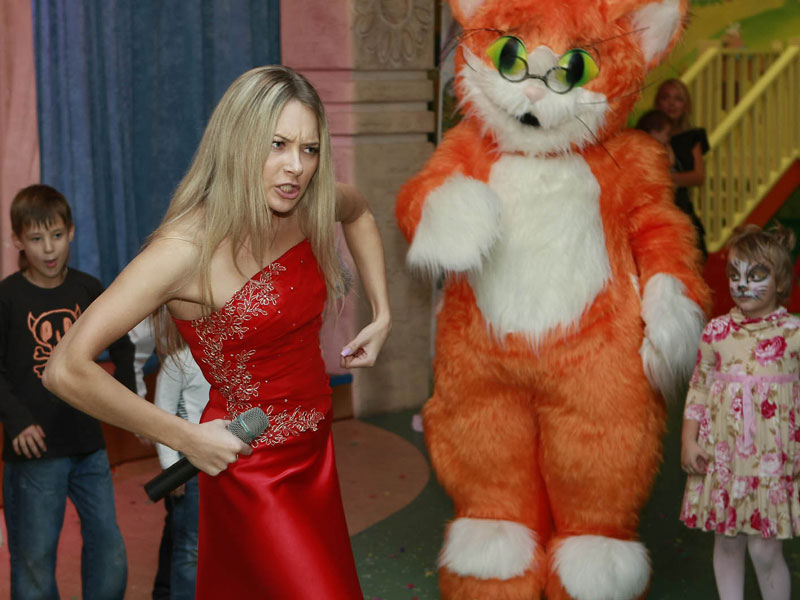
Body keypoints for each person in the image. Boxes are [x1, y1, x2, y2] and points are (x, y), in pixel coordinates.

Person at [42, 65, 391, 598]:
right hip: (251, 469)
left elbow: (359, 210)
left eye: (310, 149)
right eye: (277, 144)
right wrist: (184, 437)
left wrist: (381, 312)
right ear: (237, 142)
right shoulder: (185, 250)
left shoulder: (307, 204)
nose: (296, 167)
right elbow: (65, 368)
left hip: (316, 451)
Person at [0, 184, 134, 600]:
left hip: (88, 444)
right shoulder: (7, 297)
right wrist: (17, 421)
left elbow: (123, 345)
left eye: (56, 235)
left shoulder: (88, 289)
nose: (48, 248)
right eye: (36, 238)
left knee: (109, 549)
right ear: (17, 241)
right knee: (35, 558)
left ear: (71, 231)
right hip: (35, 450)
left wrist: (125, 400)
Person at [679, 223, 799, 600]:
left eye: (756, 275)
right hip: (724, 458)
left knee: (765, 549)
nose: (742, 284)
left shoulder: (794, 334)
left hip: (772, 460)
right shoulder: (716, 332)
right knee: (728, 542)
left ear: (780, 282)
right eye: (735, 275)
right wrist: (688, 440)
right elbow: (699, 386)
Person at [152, 347, 210, 600]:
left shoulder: (231, 355)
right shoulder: (179, 362)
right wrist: (172, 470)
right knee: (189, 547)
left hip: (229, 466)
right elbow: (162, 417)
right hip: (190, 467)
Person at [654, 78, 709, 259]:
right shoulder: (648, 133)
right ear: (658, 102)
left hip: (681, 206)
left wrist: (667, 179)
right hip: (655, 208)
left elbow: (698, 176)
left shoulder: (692, 136)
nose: (671, 103)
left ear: (686, 105)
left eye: (678, 99)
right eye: (666, 97)